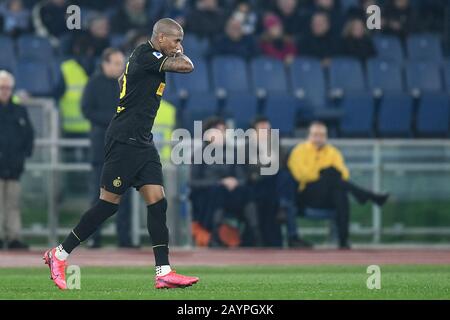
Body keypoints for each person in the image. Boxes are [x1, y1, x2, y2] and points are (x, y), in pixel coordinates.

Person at [43, 18, 199, 290]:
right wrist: (178, 54)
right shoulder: (147, 55)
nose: (179, 46)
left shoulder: (145, 57)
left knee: (157, 200)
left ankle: (163, 271)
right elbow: (188, 66)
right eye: (176, 40)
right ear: (161, 38)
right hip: (124, 140)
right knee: (108, 205)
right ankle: (59, 254)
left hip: (142, 140)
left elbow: (121, 79)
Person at [287, 121, 389, 249]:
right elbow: (302, 175)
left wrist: (325, 173)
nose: (318, 138)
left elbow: (344, 174)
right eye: (315, 134)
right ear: (308, 135)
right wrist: (324, 172)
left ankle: (343, 240)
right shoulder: (299, 151)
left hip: (329, 195)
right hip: (307, 194)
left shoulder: (333, 151)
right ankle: (366, 196)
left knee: (340, 193)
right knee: (333, 177)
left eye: (322, 135)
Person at [81, 48, 134, 248]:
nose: (120, 67)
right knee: (98, 195)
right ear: (105, 63)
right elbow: (86, 109)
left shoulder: (126, 83)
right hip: (101, 148)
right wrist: (113, 120)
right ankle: (93, 237)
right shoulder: (94, 83)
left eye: (122, 63)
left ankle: (125, 238)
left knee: (124, 195)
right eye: (116, 63)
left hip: (123, 147)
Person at [190, 117, 262, 248]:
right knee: (219, 191)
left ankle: (253, 233)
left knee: (248, 192)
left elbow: (242, 178)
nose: (221, 134)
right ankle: (215, 235)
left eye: (223, 131)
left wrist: (235, 181)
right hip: (207, 197)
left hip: (231, 195)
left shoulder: (233, 153)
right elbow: (193, 182)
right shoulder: (199, 154)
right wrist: (219, 182)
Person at [0, 70, 34, 250]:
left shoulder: (19, 110)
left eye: (7, 88)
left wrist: (24, 154)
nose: (5, 91)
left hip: (14, 166)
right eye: (2, 87)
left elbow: (29, 135)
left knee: (13, 203)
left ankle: (13, 237)